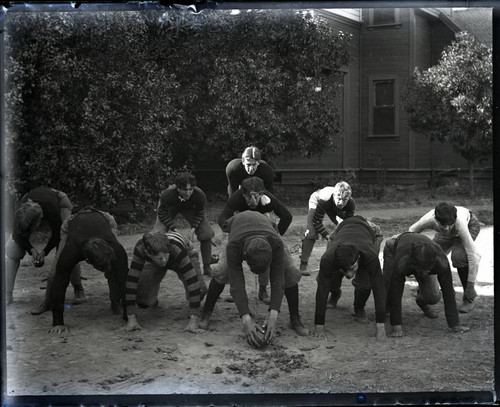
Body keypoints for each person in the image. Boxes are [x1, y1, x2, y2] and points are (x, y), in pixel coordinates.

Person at [199, 211, 309, 348]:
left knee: (290, 272)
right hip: (236, 231)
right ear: (244, 256)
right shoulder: (234, 246)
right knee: (222, 271)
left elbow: (277, 280)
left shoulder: (276, 245)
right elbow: (236, 285)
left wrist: (273, 316)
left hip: (269, 231)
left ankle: (295, 318)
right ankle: (206, 313)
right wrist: (246, 320)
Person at [49, 207, 129, 335]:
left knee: (117, 269)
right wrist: (57, 322)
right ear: (87, 261)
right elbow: (60, 281)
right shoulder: (71, 251)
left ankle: (115, 301)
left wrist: (128, 317)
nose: (105, 270)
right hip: (72, 223)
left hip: (104, 219)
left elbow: (125, 280)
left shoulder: (116, 249)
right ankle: (51, 302)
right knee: (57, 272)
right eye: (102, 267)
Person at [5, 187, 84, 311]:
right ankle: (7, 293)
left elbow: (59, 234)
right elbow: (17, 235)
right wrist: (32, 250)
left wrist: (44, 252)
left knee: (67, 245)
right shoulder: (21, 210)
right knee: (13, 250)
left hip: (59, 200)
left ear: (40, 220)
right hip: (36, 199)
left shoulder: (52, 210)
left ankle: (78, 289)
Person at [218, 176, 293, 305]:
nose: (253, 201)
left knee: (265, 254)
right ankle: (233, 289)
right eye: (249, 197)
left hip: (264, 226)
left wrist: (277, 233)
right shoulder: (236, 197)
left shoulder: (269, 200)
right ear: (243, 194)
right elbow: (223, 217)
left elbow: (287, 216)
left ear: (262, 194)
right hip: (242, 226)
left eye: (257, 197)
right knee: (228, 257)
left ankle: (263, 290)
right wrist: (231, 229)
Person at [312, 215, 386, 341]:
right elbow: (322, 289)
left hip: (370, 230)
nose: (349, 276)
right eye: (344, 270)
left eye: (352, 268)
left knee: (365, 282)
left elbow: (379, 288)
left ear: (358, 259)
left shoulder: (370, 256)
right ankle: (335, 293)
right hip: (342, 229)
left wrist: (380, 326)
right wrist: (319, 325)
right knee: (327, 281)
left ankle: (359, 308)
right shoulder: (328, 258)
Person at [383, 232, 470, 337]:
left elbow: (448, 291)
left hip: (422, 253)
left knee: (432, 296)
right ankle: (385, 310)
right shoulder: (402, 261)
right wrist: (396, 325)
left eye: (426, 269)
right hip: (394, 246)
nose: (423, 273)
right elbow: (396, 290)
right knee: (388, 285)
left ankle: (422, 302)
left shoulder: (441, 262)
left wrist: (454, 324)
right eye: (420, 269)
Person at [123, 231, 206, 334]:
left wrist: (194, 319)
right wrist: (131, 317)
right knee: (143, 302)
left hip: (183, 254)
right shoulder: (140, 248)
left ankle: (193, 307)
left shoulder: (176, 249)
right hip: (154, 262)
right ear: (148, 253)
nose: (163, 261)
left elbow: (192, 282)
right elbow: (132, 280)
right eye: (160, 258)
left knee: (200, 290)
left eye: (165, 257)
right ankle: (152, 294)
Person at [409, 202, 481, 313]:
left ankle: (469, 299)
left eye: (449, 225)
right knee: (429, 255)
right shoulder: (429, 219)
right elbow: (411, 233)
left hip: (468, 225)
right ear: (436, 219)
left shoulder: (460, 223)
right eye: (443, 225)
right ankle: (424, 288)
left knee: (459, 257)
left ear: (455, 219)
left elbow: (473, 255)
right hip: (445, 231)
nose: (447, 229)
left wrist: (470, 285)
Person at [153, 172, 215, 277]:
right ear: (178, 188)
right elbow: (162, 213)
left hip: (190, 207)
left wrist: (193, 229)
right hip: (171, 207)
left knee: (206, 233)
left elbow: (200, 212)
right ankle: (155, 266)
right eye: (185, 190)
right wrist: (175, 230)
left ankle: (207, 266)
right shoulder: (167, 195)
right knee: (157, 235)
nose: (188, 193)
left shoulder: (199, 195)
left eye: (191, 189)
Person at [299, 181, 355, 276]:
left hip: (332, 206)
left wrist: (335, 235)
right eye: (339, 198)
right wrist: (326, 235)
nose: (341, 202)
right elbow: (317, 221)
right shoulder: (324, 200)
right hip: (317, 200)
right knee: (312, 232)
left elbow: (347, 226)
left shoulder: (351, 204)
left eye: (344, 200)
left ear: (349, 198)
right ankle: (303, 265)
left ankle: (331, 263)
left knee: (342, 230)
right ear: (334, 195)